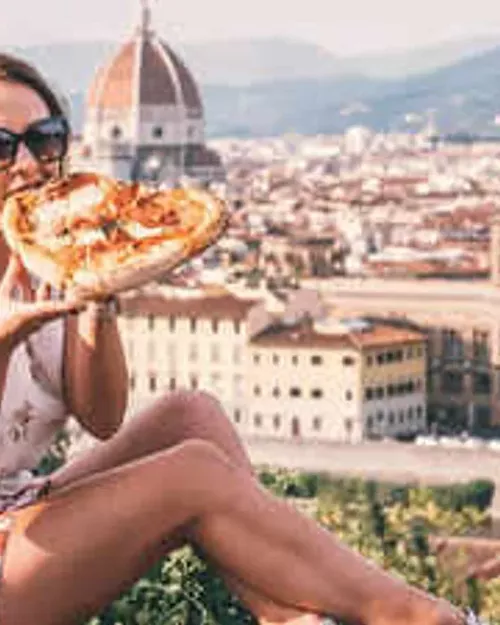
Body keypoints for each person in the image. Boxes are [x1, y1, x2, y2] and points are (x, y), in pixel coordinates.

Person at [0, 52, 473, 625]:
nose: (27, 165)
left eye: (45, 140)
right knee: (193, 473)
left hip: (20, 508)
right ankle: (422, 618)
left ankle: (286, 617)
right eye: (3, 146)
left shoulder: (53, 262)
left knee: (191, 416)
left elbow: (102, 418)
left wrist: (98, 295)